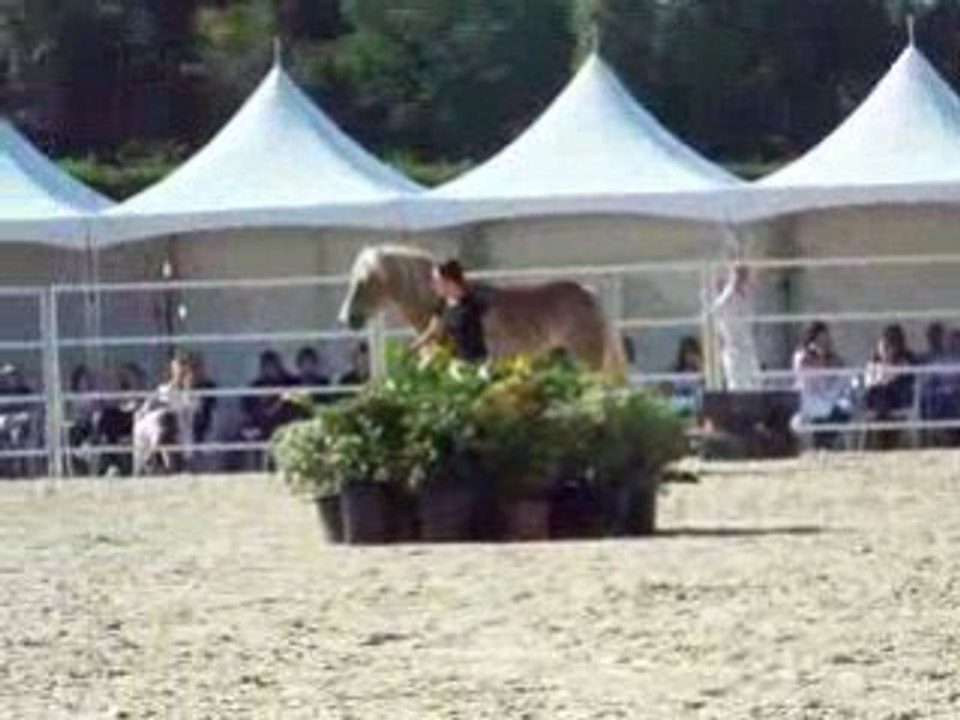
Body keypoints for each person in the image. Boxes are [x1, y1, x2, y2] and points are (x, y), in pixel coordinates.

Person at [412, 259, 490, 362]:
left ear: (449, 281)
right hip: (455, 361)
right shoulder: (442, 304)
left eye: (436, 281)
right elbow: (432, 331)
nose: (433, 286)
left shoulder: (474, 304)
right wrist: (411, 349)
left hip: (475, 361)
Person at [132, 354, 199, 474]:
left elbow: (191, 413)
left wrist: (187, 390)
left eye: (184, 371)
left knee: (167, 421)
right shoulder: (163, 390)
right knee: (164, 420)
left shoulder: (192, 395)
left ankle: (152, 459)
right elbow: (144, 410)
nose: (180, 374)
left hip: (179, 432)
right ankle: (160, 462)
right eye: (178, 370)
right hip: (159, 430)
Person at [792, 321, 851, 449]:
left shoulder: (834, 359)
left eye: (826, 339)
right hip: (809, 402)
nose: (824, 343)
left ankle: (824, 444)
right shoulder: (802, 357)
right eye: (820, 340)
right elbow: (805, 375)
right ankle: (821, 444)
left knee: (844, 411)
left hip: (829, 400)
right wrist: (819, 358)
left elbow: (841, 378)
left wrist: (830, 361)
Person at [862, 324, 917, 449]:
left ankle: (886, 440)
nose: (888, 349)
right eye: (884, 346)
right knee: (879, 394)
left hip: (898, 399)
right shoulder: (873, 361)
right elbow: (869, 382)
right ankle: (882, 439)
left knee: (884, 395)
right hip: (877, 400)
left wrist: (889, 368)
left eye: (891, 345)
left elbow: (901, 380)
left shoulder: (906, 360)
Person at [711, 263, 761, 391]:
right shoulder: (727, 297)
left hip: (748, 346)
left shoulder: (748, 296)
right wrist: (731, 287)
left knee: (755, 383)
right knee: (736, 385)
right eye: (741, 275)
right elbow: (716, 310)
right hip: (733, 347)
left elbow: (753, 321)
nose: (745, 279)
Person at [240, 350, 299, 442]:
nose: (270, 370)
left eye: (273, 365)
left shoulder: (291, 383)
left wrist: (280, 399)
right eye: (267, 366)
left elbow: (296, 403)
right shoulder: (255, 387)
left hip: (285, 425)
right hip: (262, 428)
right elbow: (248, 411)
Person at [669, 336, 704, 416]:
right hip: (683, 403)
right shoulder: (677, 370)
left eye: (692, 353)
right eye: (687, 353)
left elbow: (707, 387)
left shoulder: (703, 369)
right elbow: (674, 390)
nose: (690, 357)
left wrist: (700, 367)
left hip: (698, 404)